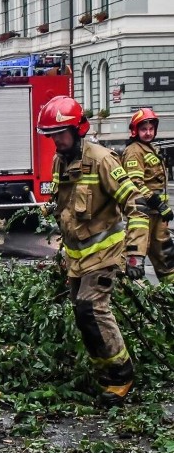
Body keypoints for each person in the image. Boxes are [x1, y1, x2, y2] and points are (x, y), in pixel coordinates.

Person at [37, 95, 149, 406]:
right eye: (51, 136)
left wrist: (136, 252)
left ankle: (122, 376)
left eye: (60, 134)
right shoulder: (60, 160)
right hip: (77, 258)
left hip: (105, 254)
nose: (56, 142)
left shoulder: (102, 160)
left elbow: (136, 205)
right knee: (82, 315)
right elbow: (65, 205)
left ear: (78, 129)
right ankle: (104, 375)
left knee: (91, 307)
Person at [122, 108, 174, 284]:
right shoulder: (134, 151)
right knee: (135, 257)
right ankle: (126, 299)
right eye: (144, 129)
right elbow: (135, 183)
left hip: (156, 216)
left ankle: (169, 297)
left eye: (151, 129)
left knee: (166, 258)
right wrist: (159, 204)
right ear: (136, 130)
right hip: (143, 215)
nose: (148, 133)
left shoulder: (149, 148)